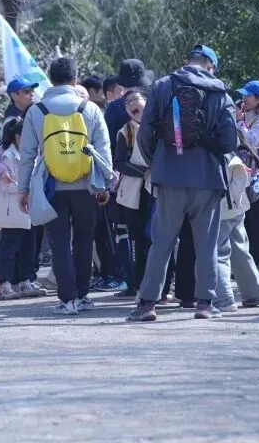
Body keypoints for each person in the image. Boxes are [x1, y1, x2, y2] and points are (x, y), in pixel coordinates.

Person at [126, 44, 238, 323]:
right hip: (208, 178)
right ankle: (204, 304)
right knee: (207, 244)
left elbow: (145, 132)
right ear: (211, 66)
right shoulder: (221, 93)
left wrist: (157, 162)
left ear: (188, 61)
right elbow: (229, 141)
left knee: (161, 242)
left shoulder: (163, 86)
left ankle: (147, 304)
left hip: (169, 174)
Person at [19, 56, 113, 316]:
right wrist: (105, 185)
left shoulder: (36, 111)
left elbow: (27, 155)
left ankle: (67, 300)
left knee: (59, 244)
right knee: (84, 242)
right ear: (75, 78)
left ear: (50, 79)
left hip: (51, 188)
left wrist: (23, 189)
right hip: (86, 186)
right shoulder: (89, 108)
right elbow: (103, 150)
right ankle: (82, 295)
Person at [0, 117, 46, 299]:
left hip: (30, 209)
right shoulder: (8, 156)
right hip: (13, 210)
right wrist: (28, 188)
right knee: (9, 248)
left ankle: (26, 280)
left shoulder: (35, 155)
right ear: (17, 136)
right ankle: (4, 283)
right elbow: (6, 186)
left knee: (29, 247)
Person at [214, 153, 259, 312]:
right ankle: (255, 293)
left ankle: (224, 298)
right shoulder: (237, 149)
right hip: (238, 206)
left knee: (219, 253)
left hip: (221, 208)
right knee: (240, 250)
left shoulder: (215, 152)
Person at [113, 90, 153, 298]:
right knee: (137, 239)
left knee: (156, 237)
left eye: (135, 100)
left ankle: (159, 283)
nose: (131, 105)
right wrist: (143, 172)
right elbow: (119, 162)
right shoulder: (125, 131)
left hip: (156, 190)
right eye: (127, 103)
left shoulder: (157, 125)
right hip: (133, 193)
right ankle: (136, 284)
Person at [236, 80, 259, 277]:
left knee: (256, 222)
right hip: (240, 173)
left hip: (256, 175)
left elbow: (251, 141)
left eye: (248, 96)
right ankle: (242, 266)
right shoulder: (244, 114)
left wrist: (240, 122)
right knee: (242, 220)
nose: (244, 99)